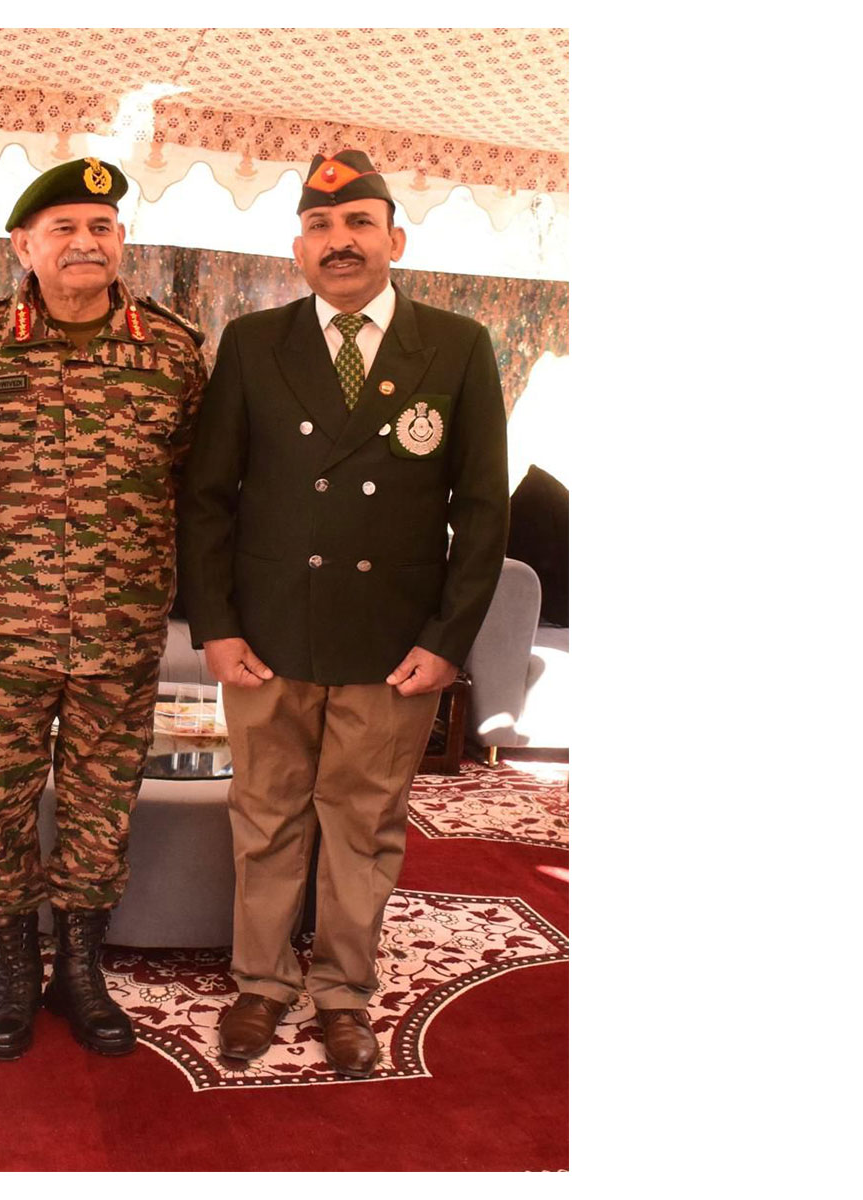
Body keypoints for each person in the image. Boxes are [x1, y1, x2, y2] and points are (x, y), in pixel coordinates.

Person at [177, 150, 509, 1077]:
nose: (340, 241)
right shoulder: (254, 342)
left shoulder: (456, 346)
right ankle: (260, 984)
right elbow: (208, 498)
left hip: (392, 643)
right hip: (269, 636)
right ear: (297, 250)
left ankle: (342, 992)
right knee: (266, 816)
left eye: (359, 222)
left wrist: (449, 642)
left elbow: (484, 511)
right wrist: (216, 625)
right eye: (320, 227)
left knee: (363, 824)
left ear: (395, 239)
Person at [0, 158, 207, 1060]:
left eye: (102, 227)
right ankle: (11, 970)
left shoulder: (172, 353)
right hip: (6, 632)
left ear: (122, 241)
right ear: (23, 245)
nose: (85, 243)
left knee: (101, 806)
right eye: (64, 229)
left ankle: (79, 970)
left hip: (122, 631)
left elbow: (194, 483)